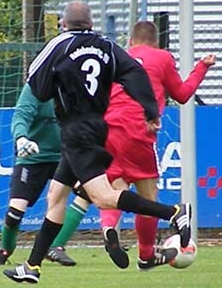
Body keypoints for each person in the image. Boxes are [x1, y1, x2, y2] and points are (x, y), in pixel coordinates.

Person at [3, 0, 191, 284]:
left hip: (78, 131)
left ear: (64, 23)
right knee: (56, 195)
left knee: (104, 197)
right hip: (95, 127)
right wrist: (150, 110)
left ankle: (174, 212)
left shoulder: (59, 44)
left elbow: (36, 85)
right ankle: (32, 266)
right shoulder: (106, 45)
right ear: (91, 24)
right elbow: (134, 73)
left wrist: (59, 83)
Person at [44, 21, 216, 271]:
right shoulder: (162, 57)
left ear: (131, 42)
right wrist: (202, 67)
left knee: (111, 189)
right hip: (138, 132)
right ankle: (146, 255)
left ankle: (108, 229)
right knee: (148, 198)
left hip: (106, 130)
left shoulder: (114, 55)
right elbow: (181, 94)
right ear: (155, 42)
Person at [0, 82, 76, 267]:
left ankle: (56, 246)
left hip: (64, 156)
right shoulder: (35, 87)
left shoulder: (70, 85)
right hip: (33, 157)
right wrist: (21, 138)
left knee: (87, 193)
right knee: (15, 213)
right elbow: (21, 115)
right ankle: (5, 251)